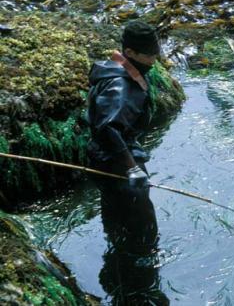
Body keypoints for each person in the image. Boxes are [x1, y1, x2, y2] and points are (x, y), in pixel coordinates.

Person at [86, 21, 169, 305]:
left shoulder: (113, 69)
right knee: (142, 229)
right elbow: (108, 128)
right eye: (149, 56)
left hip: (104, 160)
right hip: (117, 165)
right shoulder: (122, 87)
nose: (154, 62)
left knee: (115, 218)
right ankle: (141, 288)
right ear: (130, 52)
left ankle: (115, 277)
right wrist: (132, 167)